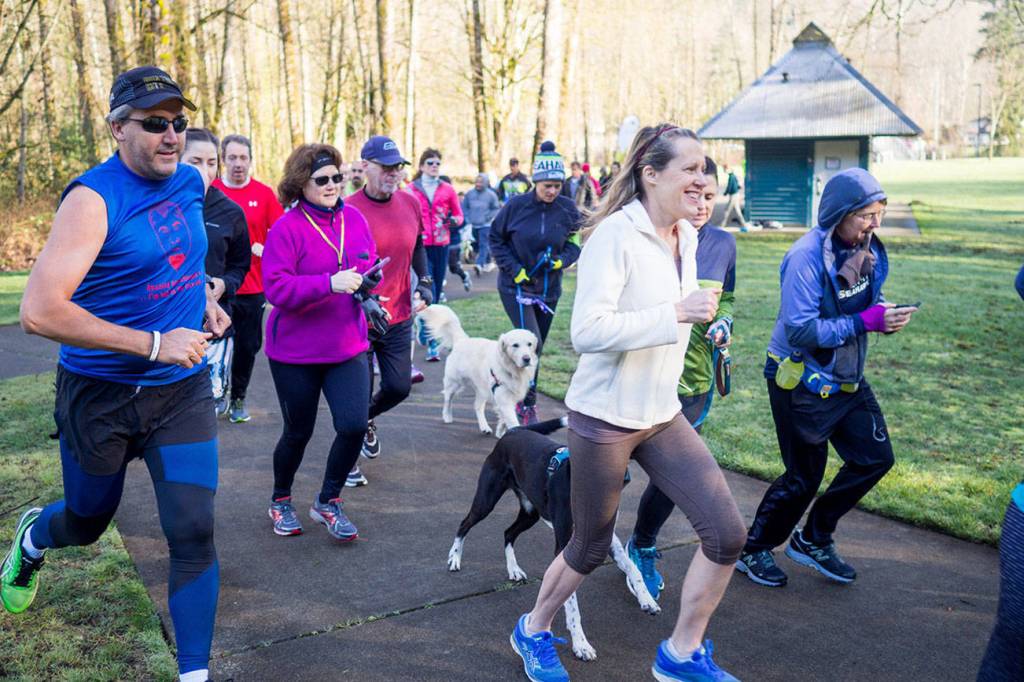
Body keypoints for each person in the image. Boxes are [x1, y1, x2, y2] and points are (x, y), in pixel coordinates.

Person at [1, 66, 230, 682]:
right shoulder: (92, 200)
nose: (171, 136)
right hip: (99, 395)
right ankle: (31, 540)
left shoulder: (190, 181)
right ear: (117, 129)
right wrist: (155, 342)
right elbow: (38, 311)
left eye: (178, 122)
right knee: (86, 520)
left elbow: (181, 256)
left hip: (179, 393)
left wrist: (200, 301)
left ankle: (194, 674)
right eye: (154, 124)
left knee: (193, 531)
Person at [509, 124, 746, 682]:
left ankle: (681, 655)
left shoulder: (687, 236)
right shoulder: (614, 236)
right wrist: (677, 314)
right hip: (606, 419)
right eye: (690, 168)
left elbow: (679, 318)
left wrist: (708, 325)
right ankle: (533, 629)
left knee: (727, 533)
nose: (701, 179)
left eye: (704, 169)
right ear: (651, 174)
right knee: (589, 546)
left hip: (662, 413)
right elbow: (587, 331)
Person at [735, 168, 918, 588]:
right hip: (801, 378)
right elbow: (801, 329)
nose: (875, 224)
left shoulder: (863, 246)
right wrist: (865, 323)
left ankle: (814, 537)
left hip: (846, 376)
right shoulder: (804, 257)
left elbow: (863, 299)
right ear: (840, 214)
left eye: (880, 213)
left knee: (875, 458)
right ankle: (754, 548)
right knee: (803, 477)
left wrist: (884, 314)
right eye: (867, 216)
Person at [626, 156, 737, 600]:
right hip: (637, 379)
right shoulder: (644, 239)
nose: (702, 205)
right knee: (607, 478)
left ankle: (642, 544)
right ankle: (584, 545)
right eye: (694, 194)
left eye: (710, 196)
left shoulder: (723, 244)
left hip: (693, 383)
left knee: (673, 478)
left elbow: (728, 298)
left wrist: (724, 321)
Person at [260, 143, 384, 540]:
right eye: (322, 179)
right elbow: (276, 289)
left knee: (353, 425)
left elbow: (365, 261)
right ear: (301, 184)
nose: (332, 185)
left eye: (337, 177)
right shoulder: (287, 228)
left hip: (347, 345)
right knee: (298, 432)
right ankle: (280, 500)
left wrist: (370, 281)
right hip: (295, 352)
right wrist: (328, 284)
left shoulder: (354, 219)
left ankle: (328, 502)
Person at [345, 135, 433, 487]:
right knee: (356, 393)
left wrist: (425, 282)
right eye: (386, 167)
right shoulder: (347, 209)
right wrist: (358, 296)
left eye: (397, 167)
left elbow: (419, 245)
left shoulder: (410, 203)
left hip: (398, 314)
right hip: (356, 317)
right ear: (365, 167)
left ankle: (364, 420)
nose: (393, 173)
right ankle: (348, 460)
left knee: (398, 387)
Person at [490, 141, 581, 426]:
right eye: (547, 186)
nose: (552, 191)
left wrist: (562, 261)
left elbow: (575, 242)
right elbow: (495, 239)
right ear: (535, 182)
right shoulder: (516, 206)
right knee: (531, 344)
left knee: (534, 347)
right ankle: (526, 403)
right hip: (516, 287)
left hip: (548, 289)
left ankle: (510, 392)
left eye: (557, 185)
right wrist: (514, 269)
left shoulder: (568, 209)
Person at [212, 134, 284, 423]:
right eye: (232, 158)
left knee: (247, 347)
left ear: (251, 161)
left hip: (252, 287)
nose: (238, 164)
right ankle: (214, 395)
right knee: (212, 345)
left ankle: (238, 398)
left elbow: (282, 237)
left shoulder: (264, 194)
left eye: (243, 158)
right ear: (223, 160)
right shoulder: (212, 191)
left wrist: (266, 250)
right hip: (216, 288)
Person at [182, 127, 251, 417]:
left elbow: (240, 265)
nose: (205, 170)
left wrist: (224, 284)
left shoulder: (230, 212)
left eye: (211, 163)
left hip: (213, 328)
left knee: (204, 411)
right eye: (195, 162)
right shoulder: (157, 204)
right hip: (164, 327)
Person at [408, 148, 464, 361]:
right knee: (427, 287)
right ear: (422, 166)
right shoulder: (410, 190)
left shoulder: (447, 189)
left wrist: (450, 222)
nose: (434, 166)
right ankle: (433, 343)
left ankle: (423, 323)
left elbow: (459, 216)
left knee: (437, 291)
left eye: (438, 163)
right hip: (419, 246)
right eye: (430, 163)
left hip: (441, 244)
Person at [462, 173, 501, 273]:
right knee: (477, 244)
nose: (478, 184)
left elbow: (496, 209)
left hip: (486, 225)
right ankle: (488, 262)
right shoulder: (470, 194)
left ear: (486, 183)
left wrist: (487, 217)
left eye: (481, 182)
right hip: (473, 225)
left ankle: (479, 265)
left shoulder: (491, 195)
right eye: (477, 182)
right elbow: (464, 207)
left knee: (483, 244)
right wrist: (467, 218)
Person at [720, 163, 753, 231]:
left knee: (727, 210)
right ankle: (744, 224)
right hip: (736, 195)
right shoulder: (733, 176)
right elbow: (737, 186)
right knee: (738, 211)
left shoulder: (731, 177)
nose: (724, 171)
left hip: (733, 196)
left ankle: (722, 225)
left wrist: (725, 193)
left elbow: (730, 187)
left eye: (724, 169)